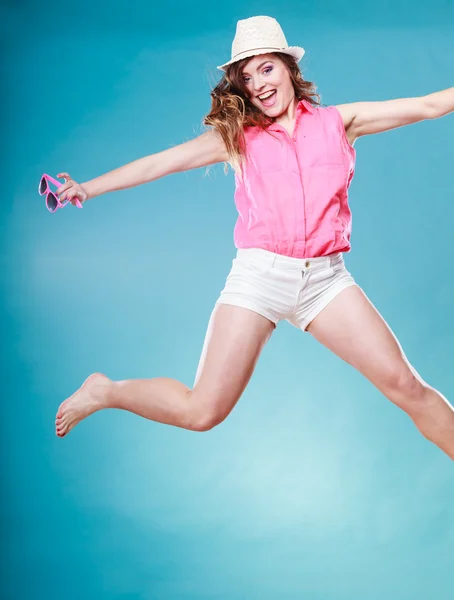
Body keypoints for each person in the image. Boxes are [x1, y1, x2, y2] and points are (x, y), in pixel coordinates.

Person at [54, 16, 454, 460]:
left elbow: (428, 105)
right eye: (246, 77)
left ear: (288, 68)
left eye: (266, 68)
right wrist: (87, 187)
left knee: (407, 386)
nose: (259, 84)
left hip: (325, 282)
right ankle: (106, 391)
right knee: (202, 411)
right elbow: (159, 163)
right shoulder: (238, 138)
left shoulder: (340, 122)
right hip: (260, 278)